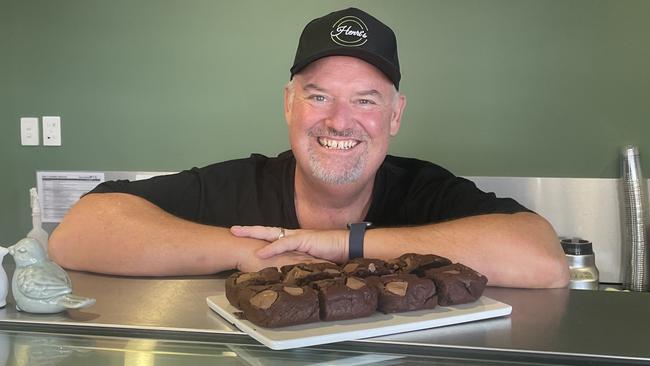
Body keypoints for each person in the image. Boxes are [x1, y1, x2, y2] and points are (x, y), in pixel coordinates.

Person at [49, 8, 569, 288]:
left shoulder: (426, 192)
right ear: (289, 105)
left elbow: (542, 260)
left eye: (365, 100)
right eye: (318, 96)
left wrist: (347, 245)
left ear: (395, 115)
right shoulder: (237, 185)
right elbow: (79, 232)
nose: (339, 120)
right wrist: (252, 255)